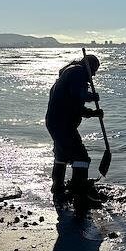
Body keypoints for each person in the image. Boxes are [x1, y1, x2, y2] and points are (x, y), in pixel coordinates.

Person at [45, 54, 104, 205]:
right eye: (94, 70)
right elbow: (78, 95)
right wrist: (91, 97)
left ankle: (58, 188)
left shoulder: (67, 74)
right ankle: (80, 195)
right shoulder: (77, 72)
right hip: (63, 124)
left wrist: (92, 113)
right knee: (81, 158)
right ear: (88, 66)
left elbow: (73, 104)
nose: (94, 75)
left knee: (62, 155)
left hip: (56, 122)